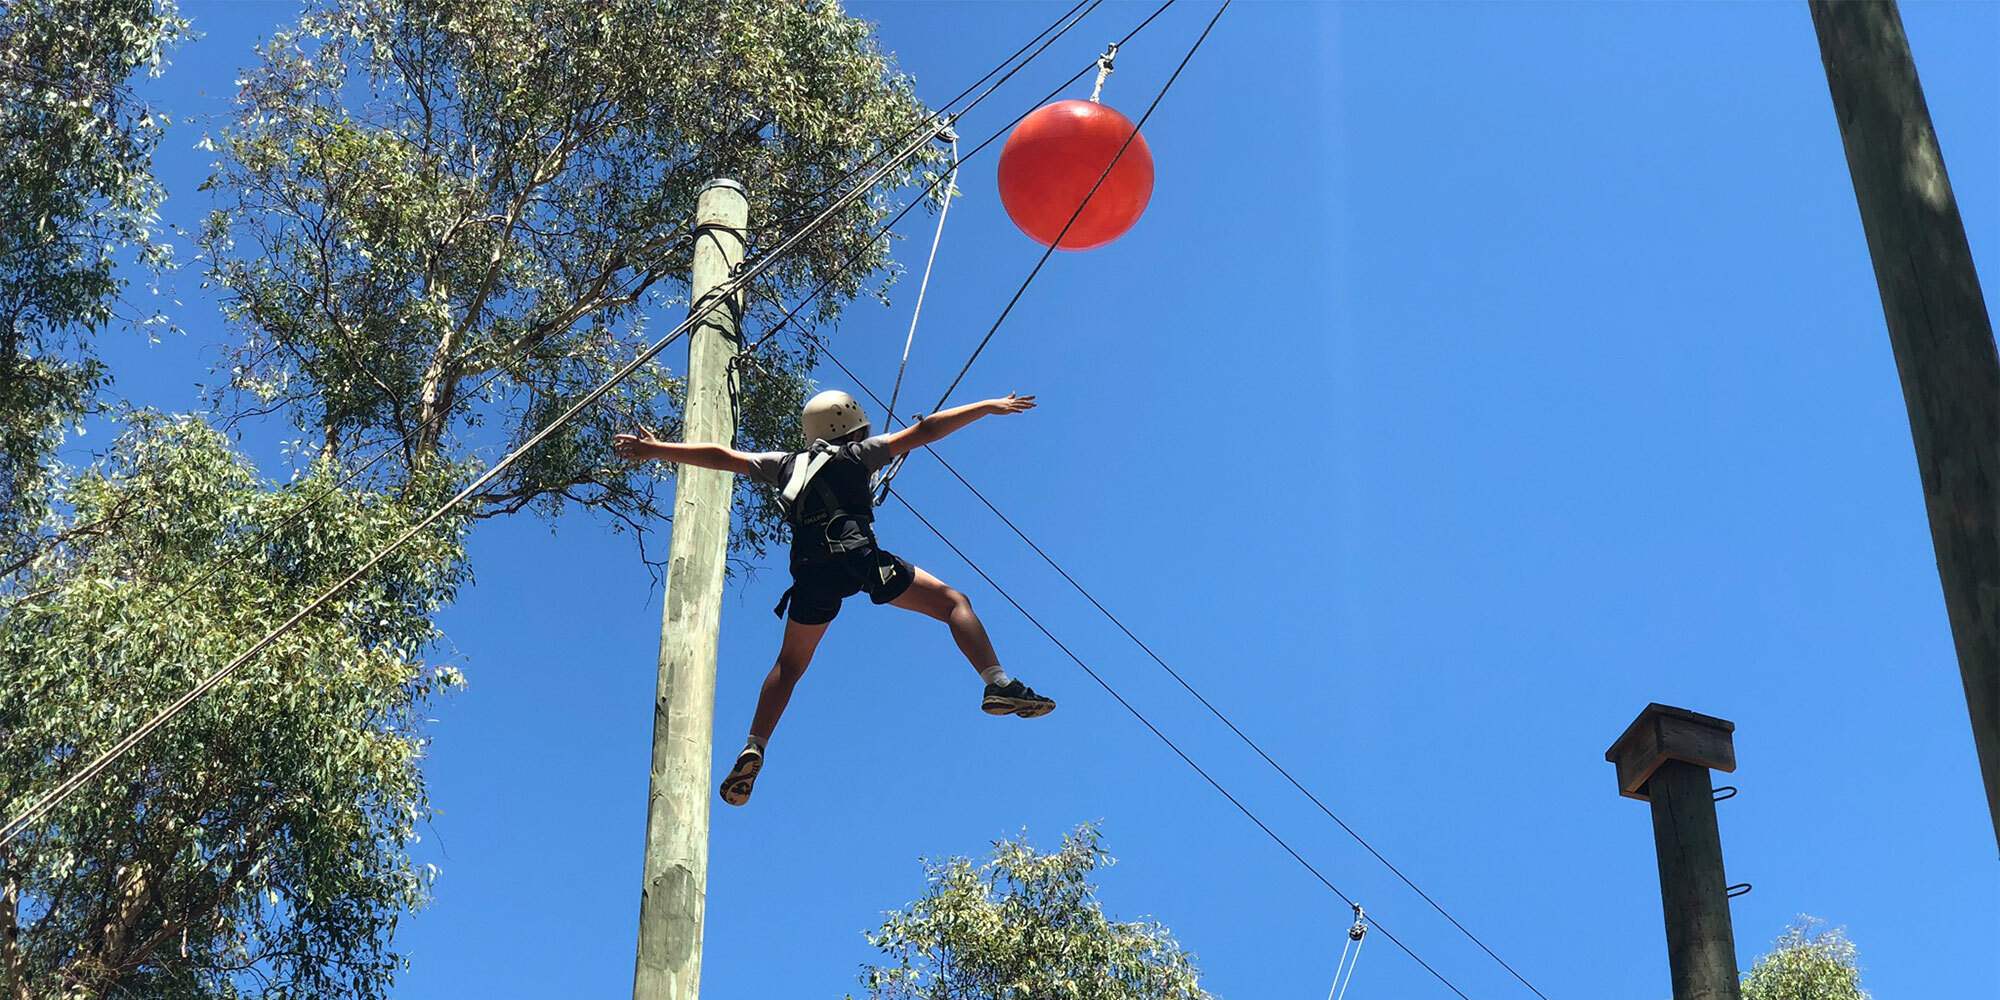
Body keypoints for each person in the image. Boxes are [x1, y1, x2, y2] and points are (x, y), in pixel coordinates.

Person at [612, 389, 1056, 806]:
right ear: (852, 426)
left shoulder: (784, 464)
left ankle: (754, 746)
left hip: (811, 577)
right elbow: (926, 431)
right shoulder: (859, 454)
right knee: (953, 602)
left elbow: (722, 456)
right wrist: (986, 406)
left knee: (789, 667)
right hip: (862, 562)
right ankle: (998, 683)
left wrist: (655, 449)